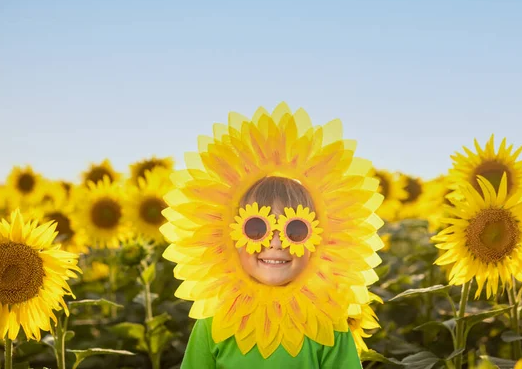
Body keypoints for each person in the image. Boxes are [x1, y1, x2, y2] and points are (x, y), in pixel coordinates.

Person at [160, 102, 385, 368]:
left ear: (324, 240)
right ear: (226, 237)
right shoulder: (215, 320)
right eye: (256, 229)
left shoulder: (329, 325)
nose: (276, 242)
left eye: (296, 230)